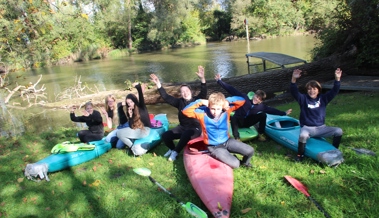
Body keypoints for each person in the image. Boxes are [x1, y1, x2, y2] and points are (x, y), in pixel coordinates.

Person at [182, 92, 254, 169]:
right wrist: (200, 101)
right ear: (209, 106)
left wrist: (227, 101)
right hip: (214, 146)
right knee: (235, 164)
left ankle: (245, 163)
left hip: (227, 141)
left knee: (250, 151)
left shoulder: (227, 110)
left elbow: (242, 100)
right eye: (213, 109)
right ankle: (231, 158)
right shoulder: (202, 113)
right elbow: (185, 111)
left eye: (218, 109)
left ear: (222, 107)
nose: (215, 112)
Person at [149, 66, 207, 161]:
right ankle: (172, 149)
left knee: (186, 134)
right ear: (180, 94)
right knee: (165, 135)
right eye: (182, 92)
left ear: (191, 91)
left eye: (187, 91)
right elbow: (166, 97)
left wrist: (202, 78)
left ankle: (175, 152)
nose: (185, 93)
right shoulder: (179, 102)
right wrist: (158, 84)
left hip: (195, 128)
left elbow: (204, 91)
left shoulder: (197, 100)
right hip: (183, 127)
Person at [215, 73, 292, 142]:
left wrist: (284, 113)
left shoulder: (261, 106)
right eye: (256, 96)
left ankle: (260, 134)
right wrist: (219, 81)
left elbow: (272, 110)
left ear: (261, 101)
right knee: (234, 117)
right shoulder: (244, 98)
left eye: (259, 99)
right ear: (254, 95)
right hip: (238, 121)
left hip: (247, 122)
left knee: (263, 115)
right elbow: (232, 90)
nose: (256, 99)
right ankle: (237, 138)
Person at [290, 68, 343, 162]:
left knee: (338, 131)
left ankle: (334, 150)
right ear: (307, 90)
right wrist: (294, 79)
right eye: (309, 89)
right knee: (302, 136)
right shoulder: (303, 99)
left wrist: (337, 79)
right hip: (307, 128)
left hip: (321, 128)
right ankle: (300, 156)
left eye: (314, 89)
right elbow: (294, 91)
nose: (312, 91)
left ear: (318, 90)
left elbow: (334, 90)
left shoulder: (323, 99)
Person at [116, 83, 151, 150]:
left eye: (131, 102)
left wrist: (138, 87)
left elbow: (141, 97)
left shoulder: (141, 107)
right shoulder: (131, 110)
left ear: (135, 101)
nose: (130, 104)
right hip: (136, 130)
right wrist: (130, 116)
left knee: (119, 133)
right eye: (128, 103)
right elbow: (132, 126)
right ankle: (133, 145)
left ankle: (133, 147)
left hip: (145, 130)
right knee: (119, 145)